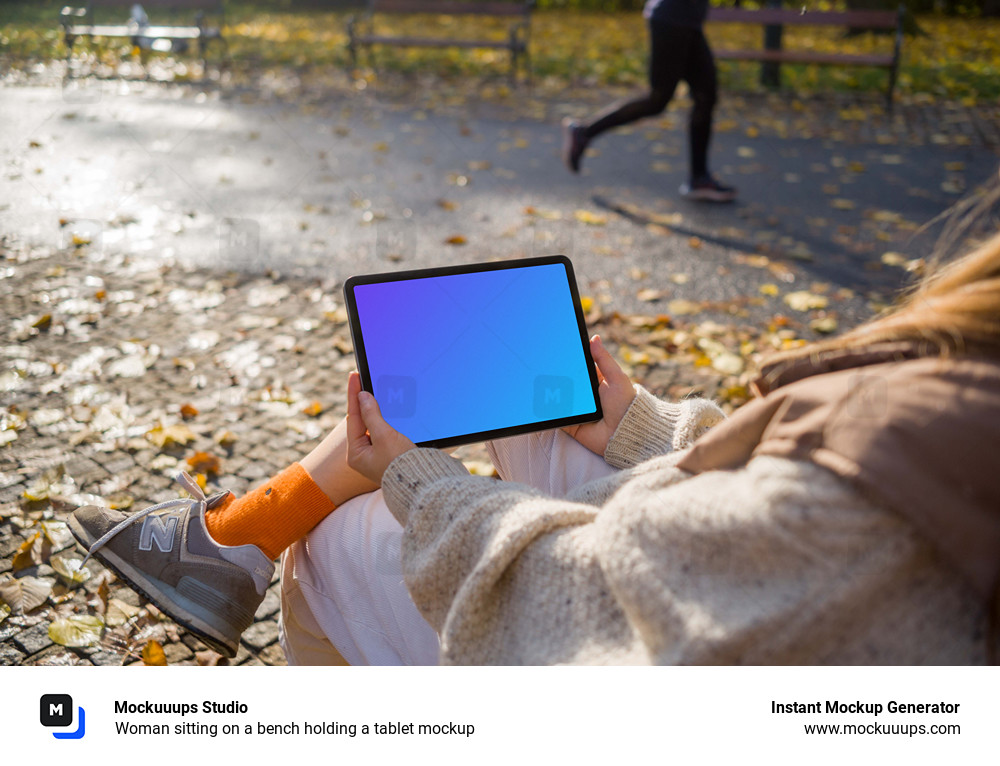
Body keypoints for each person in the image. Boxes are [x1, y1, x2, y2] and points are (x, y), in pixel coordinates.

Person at [71, 218, 1000, 664]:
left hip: (616, 647)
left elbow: (584, 613)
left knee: (338, 539)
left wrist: (422, 484)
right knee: (535, 388)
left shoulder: (910, 485)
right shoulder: (957, 423)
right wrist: (642, 427)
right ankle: (235, 538)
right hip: (702, 550)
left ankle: (252, 537)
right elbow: (760, 491)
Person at [562, 0, 737, 202]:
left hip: (687, 21)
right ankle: (583, 132)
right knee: (658, 99)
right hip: (673, 19)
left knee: (705, 96)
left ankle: (699, 178)